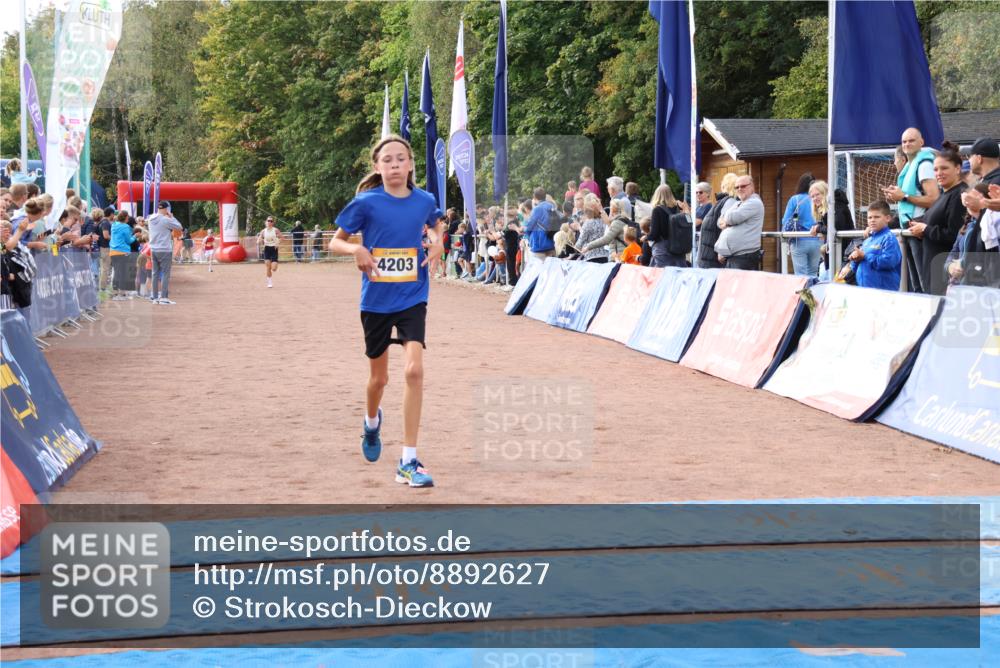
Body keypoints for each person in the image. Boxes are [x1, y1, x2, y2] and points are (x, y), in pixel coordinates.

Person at [329, 135, 444, 488]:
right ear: (378, 168)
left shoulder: (424, 200)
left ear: (411, 165)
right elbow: (334, 241)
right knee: (379, 380)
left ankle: (409, 460)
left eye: (401, 159)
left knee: (414, 371)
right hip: (376, 300)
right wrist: (356, 252)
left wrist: (438, 241)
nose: (394, 165)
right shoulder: (366, 203)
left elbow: (436, 222)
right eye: (387, 160)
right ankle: (371, 421)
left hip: (412, 295)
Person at [883, 127, 939, 293]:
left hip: (919, 228)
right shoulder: (910, 166)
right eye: (904, 141)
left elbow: (933, 199)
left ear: (921, 142)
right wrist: (898, 195)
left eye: (911, 140)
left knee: (924, 284)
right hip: (909, 228)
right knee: (916, 285)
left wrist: (903, 196)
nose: (907, 144)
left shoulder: (924, 164)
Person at [907, 141, 968, 295]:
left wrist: (926, 229)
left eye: (944, 168)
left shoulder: (959, 195)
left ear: (958, 168)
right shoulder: (944, 195)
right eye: (935, 169)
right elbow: (936, 227)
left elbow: (954, 235)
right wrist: (920, 228)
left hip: (947, 273)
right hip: (933, 268)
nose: (939, 173)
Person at [843, 200, 901, 291]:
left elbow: (889, 262)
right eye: (869, 217)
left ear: (888, 218)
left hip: (884, 292)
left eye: (876, 217)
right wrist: (855, 260)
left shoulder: (889, 238)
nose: (872, 220)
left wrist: (865, 256)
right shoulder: (868, 240)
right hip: (865, 290)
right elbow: (856, 266)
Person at [715, 175, 764, 270]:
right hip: (734, 256)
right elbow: (719, 221)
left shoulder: (754, 202)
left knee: (742, 285)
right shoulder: (738, 203)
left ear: (752, 187)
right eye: (736, 187)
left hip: (744, 256)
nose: (739, 189)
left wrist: (727, 221)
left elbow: (731, 218)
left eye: (743, 186)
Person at [782, 173, 820, 277]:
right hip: (817, 240)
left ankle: (803, 294)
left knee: (800, 275)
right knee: (813, 274)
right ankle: (814, 293)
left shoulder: (795, 199)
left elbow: (785, 220)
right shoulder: (817, 198)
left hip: (799, 241)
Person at [697, 174, 738, 269]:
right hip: (713, 256)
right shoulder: (730, 202)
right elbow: (726, 225)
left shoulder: (721, 202)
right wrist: (722, 251)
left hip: (708, 254)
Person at [147, 201, 183, 304]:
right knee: (166, 274)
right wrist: (172, 217)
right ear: (166, 209)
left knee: (155, 274)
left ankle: (154, 297)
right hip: (164, 249)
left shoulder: (150, 218)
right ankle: (163, 298)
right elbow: (179, 227)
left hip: (153, 249)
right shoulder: (166, 220)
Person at [0, 218, 34, 311]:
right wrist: (20, 230)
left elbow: (5, 251)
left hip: (6, 290)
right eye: (3, 231)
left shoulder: (2, 247)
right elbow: (8, 247)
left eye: (8, 232)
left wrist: (7, 275)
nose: (6, 234)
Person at [648, 184, 684, 268]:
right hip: (678, 248)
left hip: (663, 248)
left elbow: (655, 232)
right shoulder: (677, 208)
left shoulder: (657, 210)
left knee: (661, 275)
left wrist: (646, 237)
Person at [522, 187, 556, 263]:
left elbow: (529, 226)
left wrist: (526, 234)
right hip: (552, 242)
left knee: (539, 268)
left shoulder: (537, 209)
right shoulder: (552, 206)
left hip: (539, 244)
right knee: (550, 269)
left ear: (534, 197)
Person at [109, 211, 136, 301]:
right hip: (123, 252)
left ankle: (115, 292)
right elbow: (128, 241)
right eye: (127, 217)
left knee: (116, 272)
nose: (128, 218)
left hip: (113, 251)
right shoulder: (126, 227)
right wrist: (135, 236)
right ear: (125, 218)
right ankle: (122, 293)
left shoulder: (114, 225)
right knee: (123, 273)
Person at [575, 195, 610, 263]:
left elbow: (579, 244)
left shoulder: (588, 223)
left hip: (591, 258)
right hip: (606, 256)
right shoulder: (606, 220)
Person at [257, 216, 282, 287]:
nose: (269, 222)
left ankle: (273, 266)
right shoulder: (263, 231)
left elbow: (282, 237)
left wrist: (278, 242)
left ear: (273, 223)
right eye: (268, 221)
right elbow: (259, 239)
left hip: (274, 248)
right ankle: (269, 282)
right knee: (268, 267)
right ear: (266, 222)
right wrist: (259, 241)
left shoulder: (276, 230)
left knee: (273, 269)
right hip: (267, 249)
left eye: (271, 221)